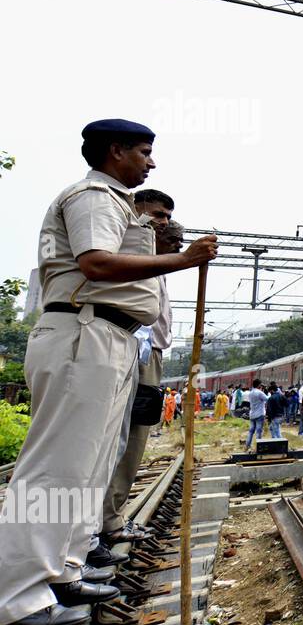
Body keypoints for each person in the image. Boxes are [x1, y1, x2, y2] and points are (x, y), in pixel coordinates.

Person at [0, 118, 217, 625]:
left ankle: (65, 567)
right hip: (83, 333)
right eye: (143, 151)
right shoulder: (94, 195)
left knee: (90, 463)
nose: (151, 162)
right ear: (115, 151)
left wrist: (158, 243)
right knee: (58, 465)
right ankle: (16, 593)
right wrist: (181, 261)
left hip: (108, 338)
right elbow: (95, 263)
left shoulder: (117, 203)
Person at [99, 209, 182, 548]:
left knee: (132, 436)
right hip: (130, 349)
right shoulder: (131, 263)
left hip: (148, 356)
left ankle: (109, 517)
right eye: (167, 233)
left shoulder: (156, 273)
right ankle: (102, 520)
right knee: (118, 437)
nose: (176, 246)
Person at [244, 379, 268, 448]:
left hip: (252, 414)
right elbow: (267, 399)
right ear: (259, 385)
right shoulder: (259, 392)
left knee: (251, 431)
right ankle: (259, 446)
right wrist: (266, 392)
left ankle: (247, 445)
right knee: (258, 431)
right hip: (260, 414)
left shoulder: (251, 393)